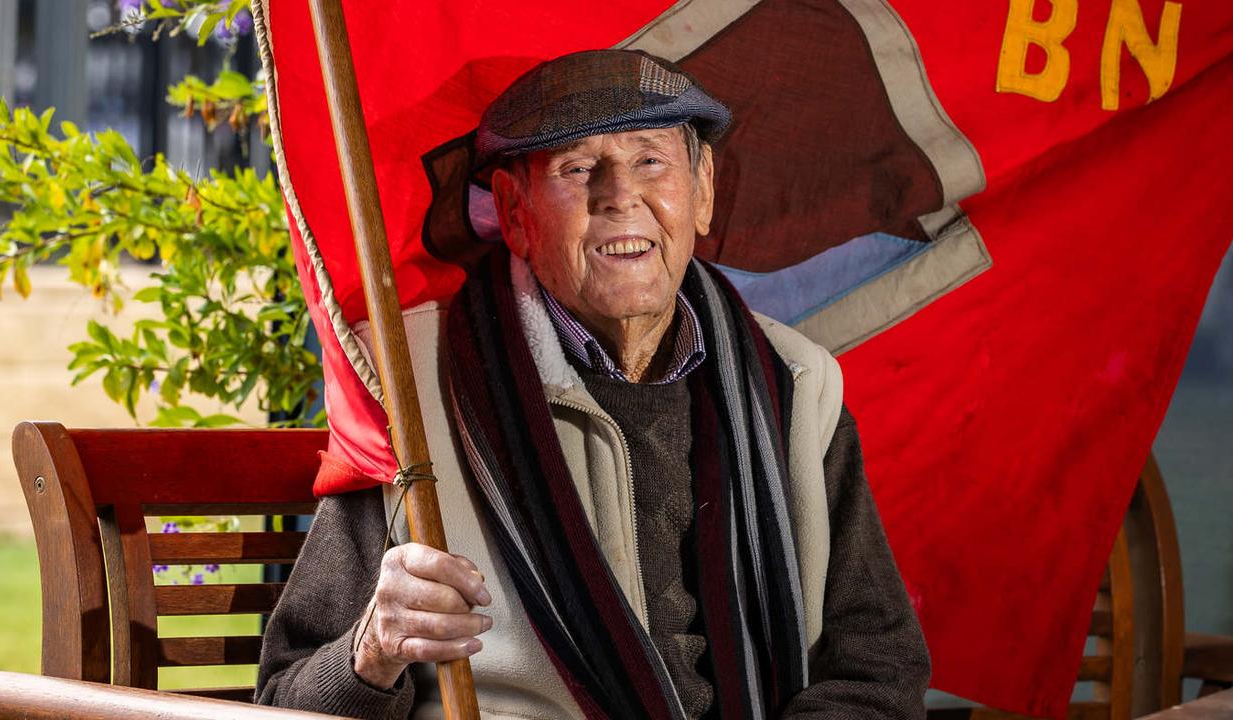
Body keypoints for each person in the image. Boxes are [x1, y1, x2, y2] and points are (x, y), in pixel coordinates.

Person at [257, 49, 930, 719]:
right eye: (576, 169)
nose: (619, 196)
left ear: (703, 192)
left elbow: (876, 664)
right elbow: (286, 697)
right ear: (516, 215)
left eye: (650, 161)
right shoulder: (411, 389)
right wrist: (373, 652)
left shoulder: (795, 386)